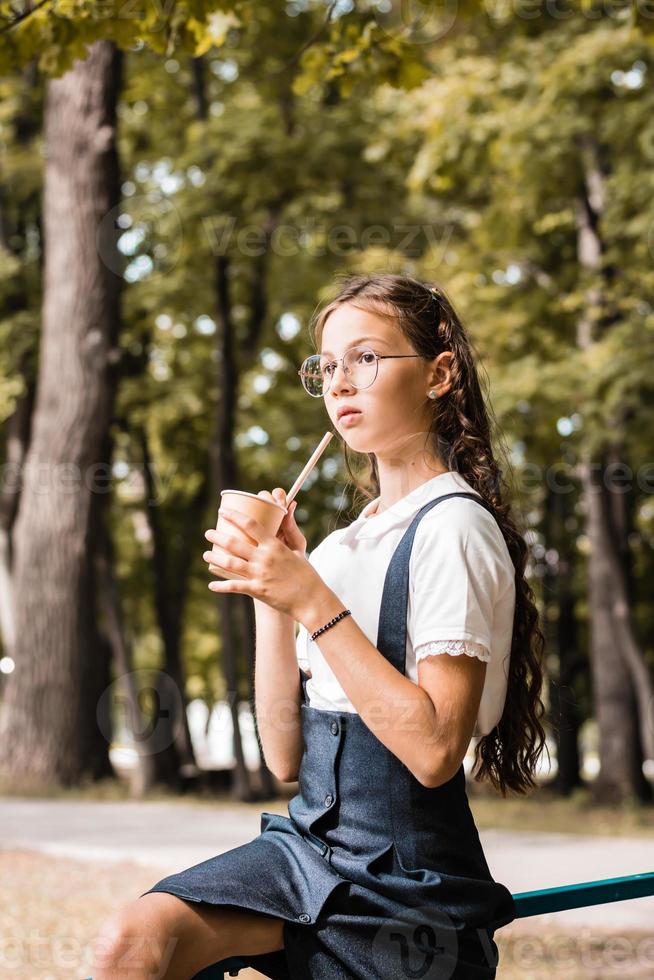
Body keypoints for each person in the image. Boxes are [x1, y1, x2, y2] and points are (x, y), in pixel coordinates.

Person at [90, 273, 548, 979]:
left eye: (365, 358)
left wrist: (310, 601)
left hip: (410, 881)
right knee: (135, 938)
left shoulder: (455, 527)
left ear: (439, 373)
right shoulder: (339, 547)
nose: (340, 383)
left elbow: (433, 751)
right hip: (306, 852)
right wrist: (270, 593)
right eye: (327, 367)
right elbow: (285, 760)